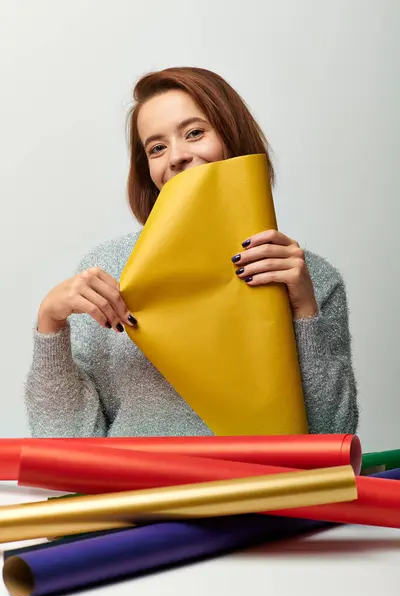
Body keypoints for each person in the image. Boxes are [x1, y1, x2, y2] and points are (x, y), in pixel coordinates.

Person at [24, 66, 359, 438]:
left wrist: (303, 310)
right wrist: (50, 325)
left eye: (195, 133)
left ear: (234, 137)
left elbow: (333, 442)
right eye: (157, 147)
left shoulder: (309, 277)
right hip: (140, 493)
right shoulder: (107, 272)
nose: (176, 157)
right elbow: (66, 445)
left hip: (259, 492)